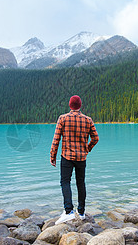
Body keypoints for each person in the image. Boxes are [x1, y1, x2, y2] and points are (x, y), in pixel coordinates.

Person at [50, 95, 99, 225]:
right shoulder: (88, 120)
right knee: (80, 183)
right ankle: (81, 212)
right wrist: (87, 149)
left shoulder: (63, 118)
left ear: (70, 105)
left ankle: (68, 211)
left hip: (66, 156)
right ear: (80, 105)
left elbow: (56, 139)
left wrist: (52, 156)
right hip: (81, 157)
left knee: (65, 182)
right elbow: (95, 138)